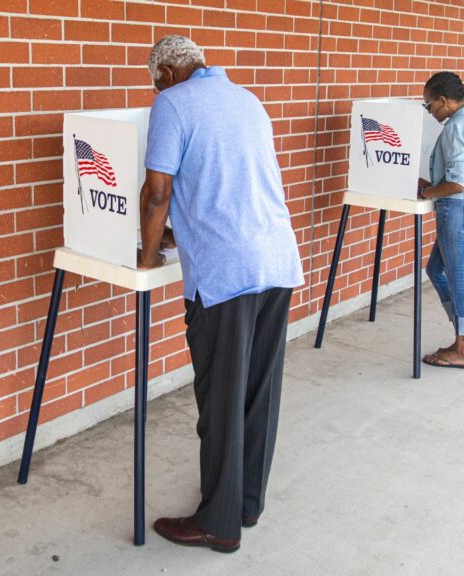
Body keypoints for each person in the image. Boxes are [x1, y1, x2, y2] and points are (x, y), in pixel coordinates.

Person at [138, 35, 304, 553]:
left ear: (166, 71)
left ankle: (217, 523)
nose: (156, 88)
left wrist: (146, 256)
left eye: (155, 80)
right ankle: (245, 502)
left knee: (221, 398)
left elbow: (158, 191)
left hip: (227, 271)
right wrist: (178, 230)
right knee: (258, 391)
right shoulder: (247, 99)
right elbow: (226, 183)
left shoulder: (171, 103)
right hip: (276, 258)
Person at [417, 71, 464, 370]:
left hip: (459, 207)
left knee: (457, 278)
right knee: (435, 269)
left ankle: (463, 347)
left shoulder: (457, 127)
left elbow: (457, 183)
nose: (431, 111)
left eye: (430, 105)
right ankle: (463, 340)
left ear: (444, 100)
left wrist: (428, 191)